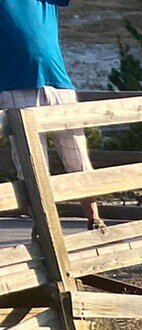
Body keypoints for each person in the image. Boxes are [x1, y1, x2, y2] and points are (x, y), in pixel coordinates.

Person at [1, 0, 96, 195]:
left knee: (77, 157)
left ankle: (94, 218)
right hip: (16, 83)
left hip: (57, 81)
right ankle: (41, 222)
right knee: (31, 165)